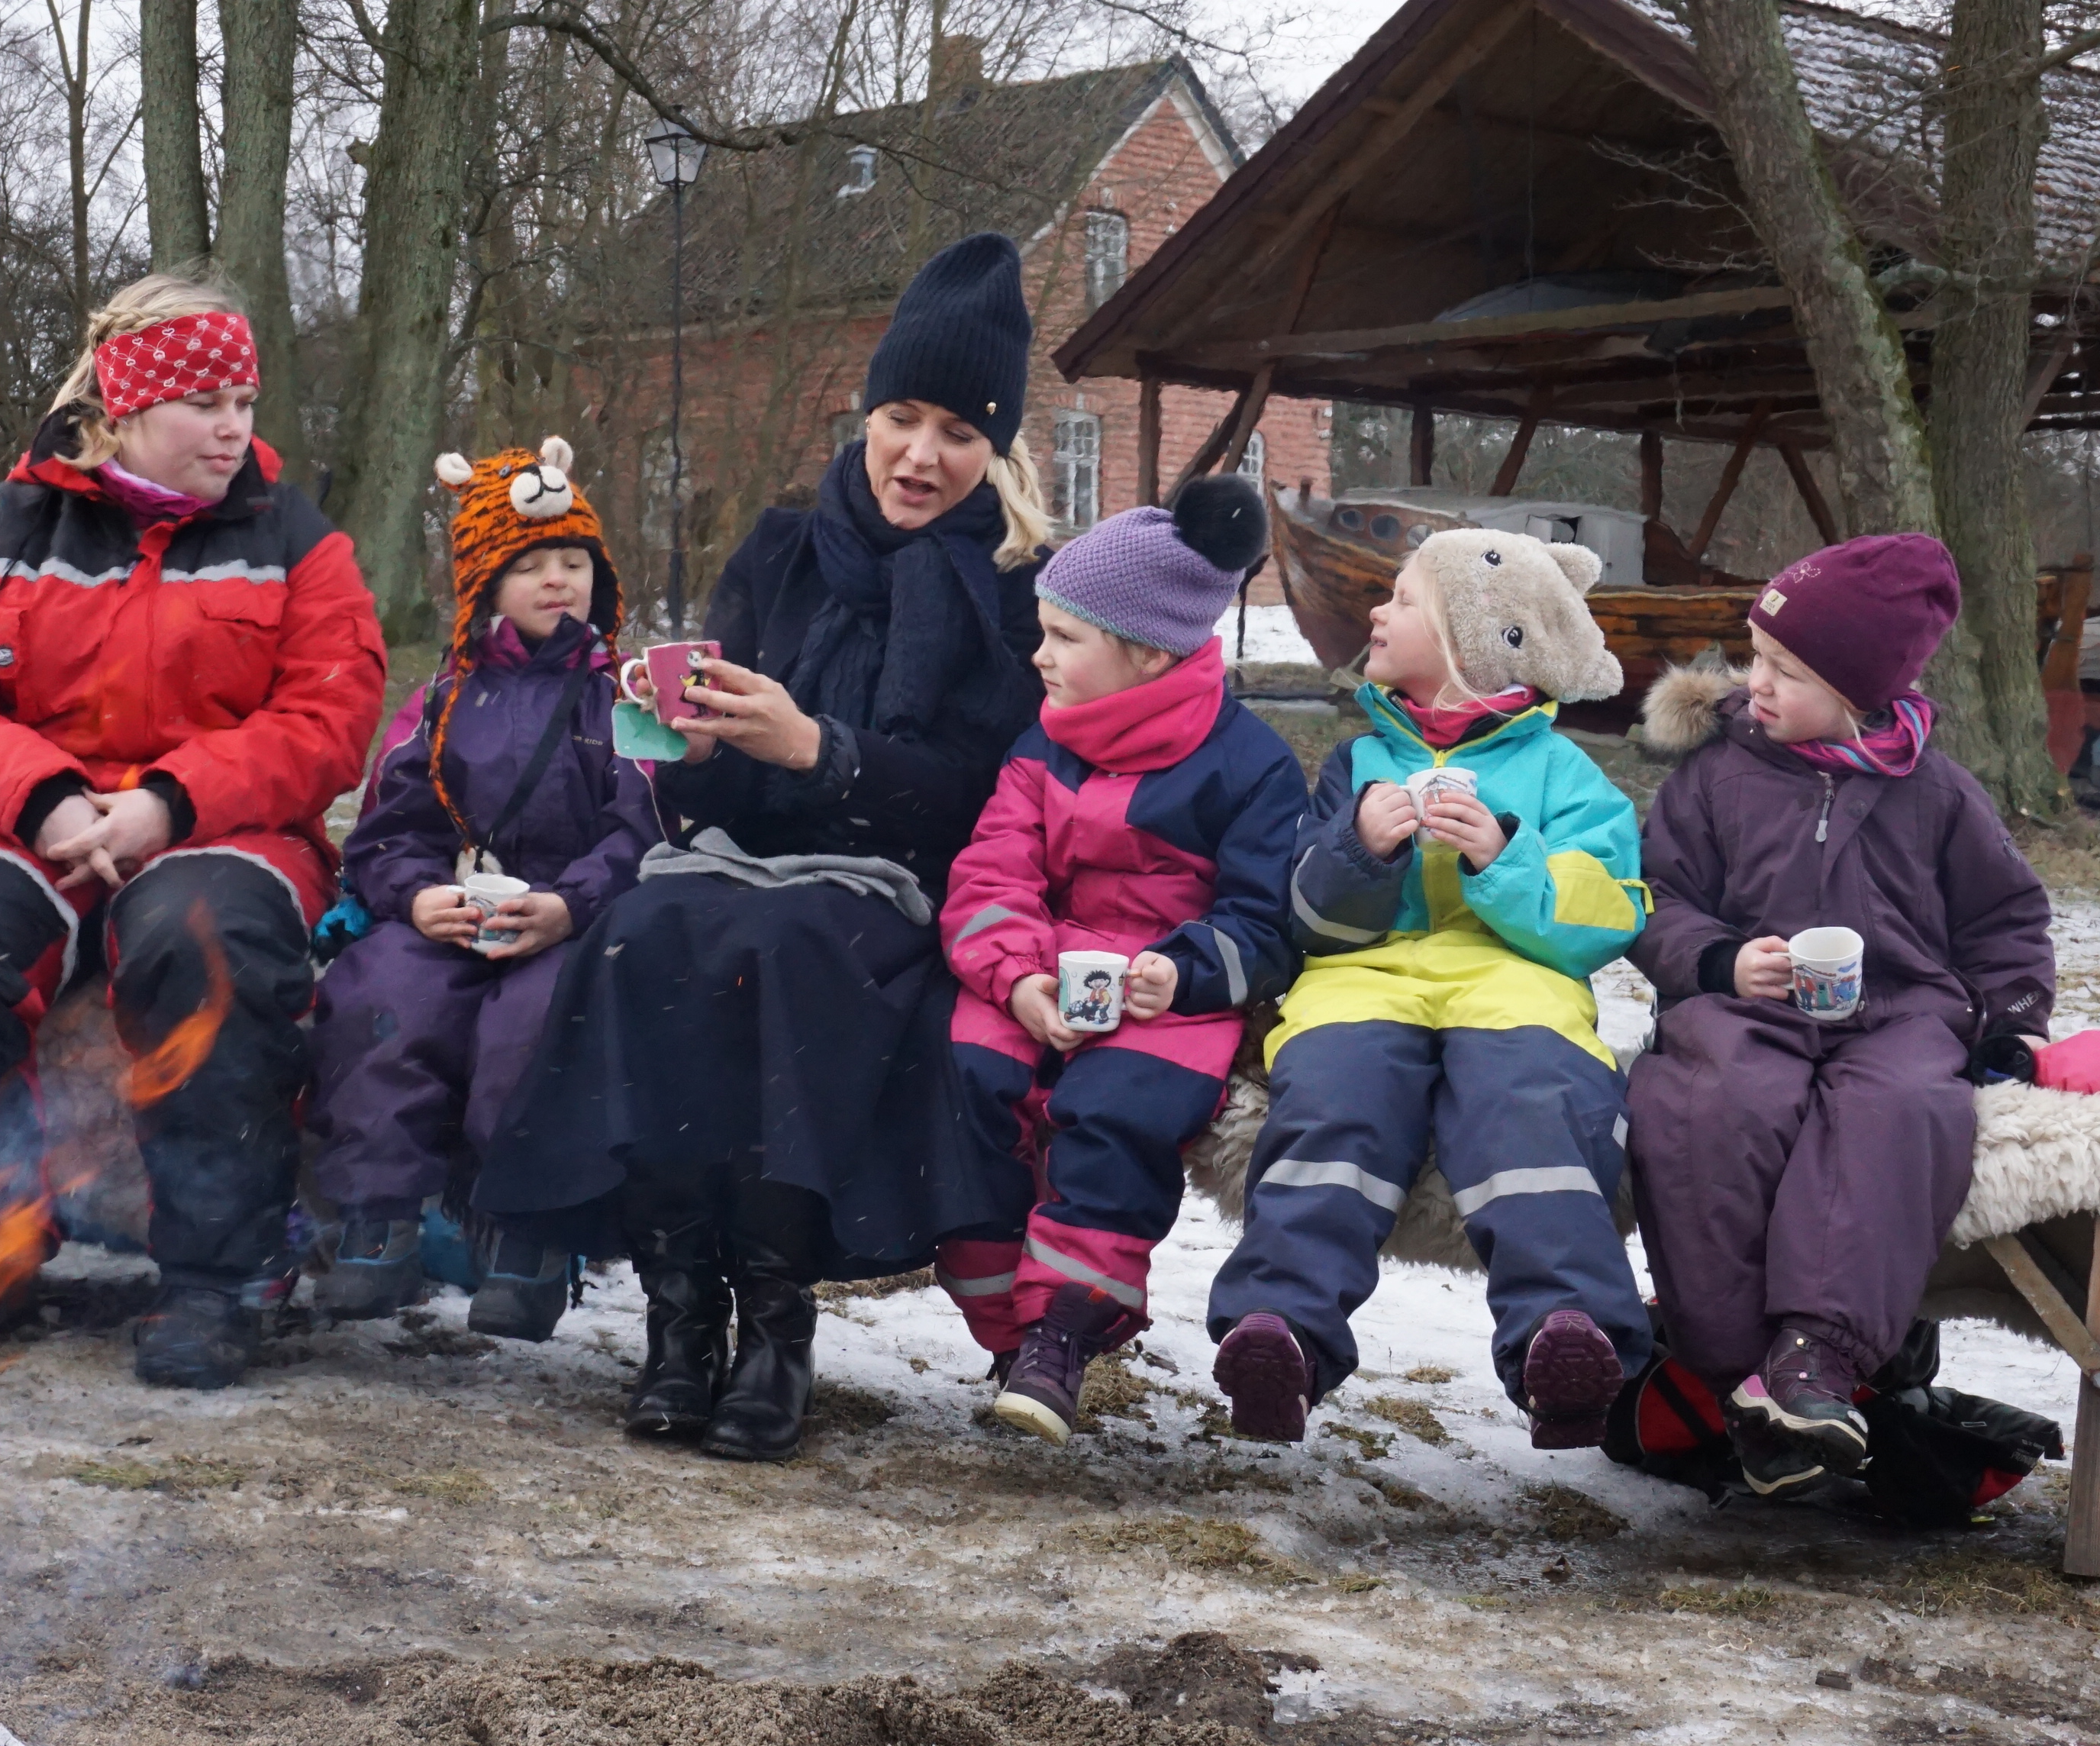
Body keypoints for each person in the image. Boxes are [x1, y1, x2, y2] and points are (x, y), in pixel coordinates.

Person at [474, 233, 1050, 1463]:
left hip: (900, 882)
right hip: (738, 859)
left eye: (958, 431)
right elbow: (715, 779)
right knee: (645, 932)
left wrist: (819, 752)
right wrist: (687, 746)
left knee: (787, 948)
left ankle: (777, 1327)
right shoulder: (782, 549)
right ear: (868, 414)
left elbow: (989, 793)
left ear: (994, 447)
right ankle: (682, 1321)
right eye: (903, 417)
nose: (921, 455)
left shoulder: (1016, 588)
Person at [0, 273, 385, 1389]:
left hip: (217, 824)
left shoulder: (299, 541)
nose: (237, 429)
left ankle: (216, 1279)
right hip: (25, 818)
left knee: (207, 943)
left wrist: (167, 802)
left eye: (247, 402)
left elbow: (329, 718)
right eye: (208, 404)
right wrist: (46, 799)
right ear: (127, 408)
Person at [1625, 534, 2063, 1497]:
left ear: (1860, 692)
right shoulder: (1714, 777)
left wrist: (2013, 1018)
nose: (1756, 684)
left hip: (1901, 1008)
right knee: (1715, 1097)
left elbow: (2004, 919)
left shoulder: (1937, 792)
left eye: (1787, 670)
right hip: (1748, 1002)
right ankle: (1728, 1363)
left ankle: (1814, 1360)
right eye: (1755, 657)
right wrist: (1717, 961)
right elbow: (1653, 895)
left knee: (1903, 1105)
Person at [1209, 528, 1652, 1450]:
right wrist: (1355, 852)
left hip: (1515, 988)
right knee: (1331, 1101)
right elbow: (1308, 923)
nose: (1377, 611)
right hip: (1361, 986)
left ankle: (1565, 1342)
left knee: (1532, 1103)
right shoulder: (1358, 766)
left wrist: (1505, 856)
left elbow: (1605, 917)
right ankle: (1280, 1333)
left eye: (1403, 599)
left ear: (1477, 643)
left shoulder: (1564, 775)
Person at [935, 476, 1306, 1441]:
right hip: (1034, 971)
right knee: (970, 1078)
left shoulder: (1250, 764)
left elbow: (1264, 919)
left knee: (1115, 1114)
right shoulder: (1040, 746)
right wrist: (1015, 980)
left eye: (1064, 638)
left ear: (1145, 652)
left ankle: (1063, 1327)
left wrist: (1181, 972)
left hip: (1165, 994)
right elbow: (990, 874)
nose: (1039, 656)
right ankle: (997, 1320)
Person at [306, 439, 663, 1340]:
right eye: (531, 564)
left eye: (574, 562)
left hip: (570, 921)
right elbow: (390, 830)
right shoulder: (442, 704)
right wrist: (417, 897)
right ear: (482, 585)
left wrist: (571, 906)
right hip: (454, 908)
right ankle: (375, 1221)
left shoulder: (624, 698)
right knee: (384, 991)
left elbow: (641, 829)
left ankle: (524, 1238)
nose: (558, 581)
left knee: (530, 1025)